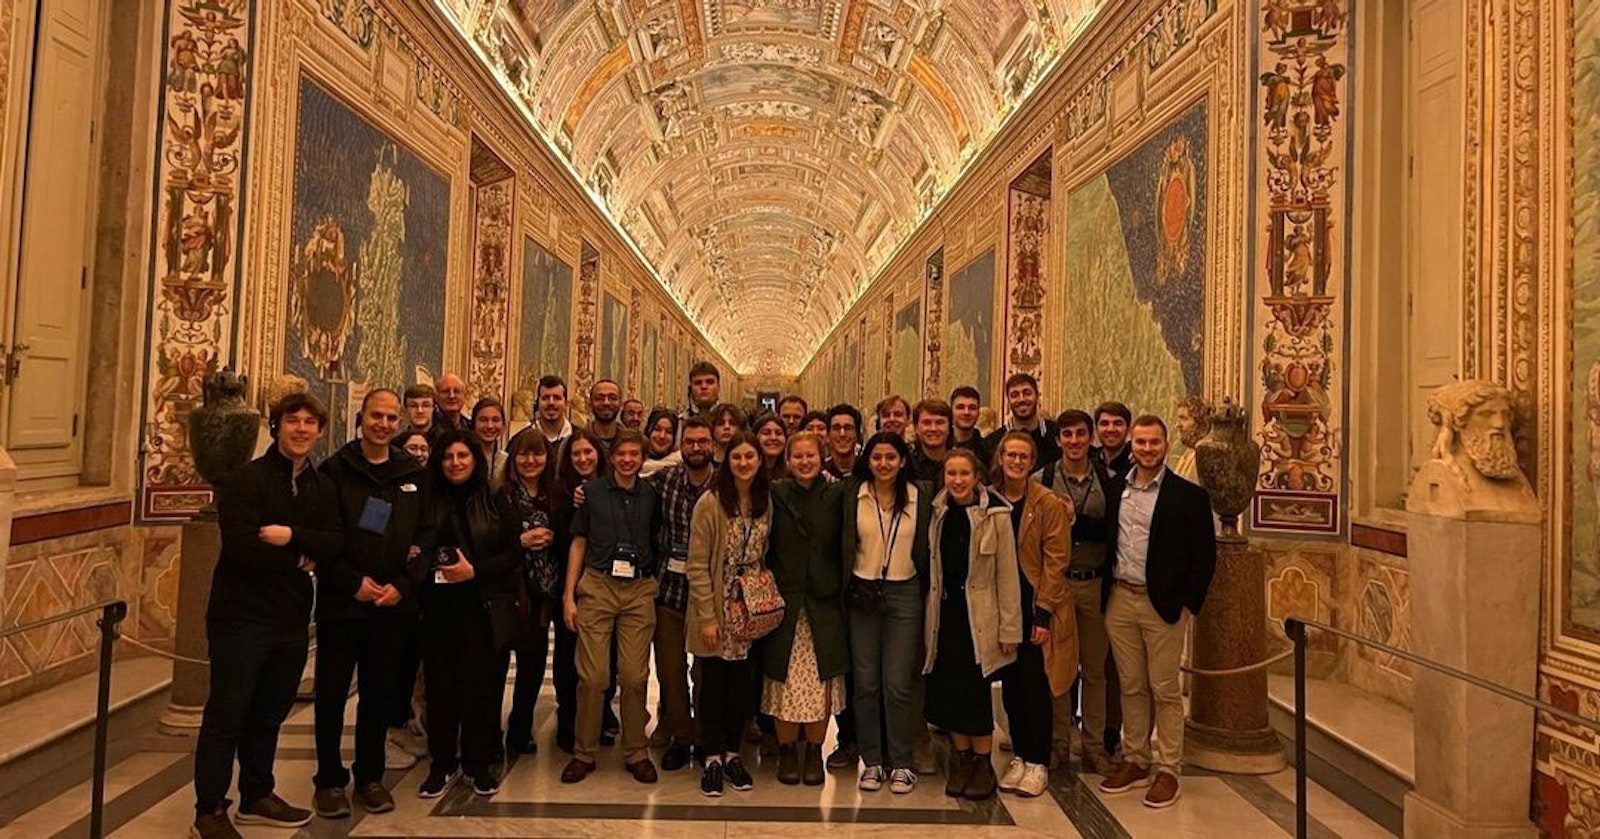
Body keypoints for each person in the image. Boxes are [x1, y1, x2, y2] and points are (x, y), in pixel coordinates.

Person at [192, 393, 342, 839]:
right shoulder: (247, 479)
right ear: (276, 426)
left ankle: (257, 793)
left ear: (319, 431)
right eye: (292, 420)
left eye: (309, 422)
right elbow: (241, 546)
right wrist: (300, 559)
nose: (301, 429)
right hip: (241, 616)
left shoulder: (321, 485)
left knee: (270, 711)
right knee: (228, 712)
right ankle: (209, 809)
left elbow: (334, 542)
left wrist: (291, 537)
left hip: (291, 617)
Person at [314, 390, 433, 819]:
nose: (383, 424)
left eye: (390, 417)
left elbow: (427, 533)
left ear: (399, 423)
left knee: (380, 694)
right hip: (344, 603)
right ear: (361, 418)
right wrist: (352, 583)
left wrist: (404, 585)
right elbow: (326, 537)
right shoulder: (335, 471)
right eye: (375, 416)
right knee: (330, 694)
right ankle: (328, 779)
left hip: (392, 605)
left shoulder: (413, 474)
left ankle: (369, 775)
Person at [1098, 416, 1217, 809]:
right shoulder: (1117, 488)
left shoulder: (1188, 496)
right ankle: (1136, 758)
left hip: (1161, 603)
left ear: (1165, 445)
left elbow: (1204, 556)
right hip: (1120, 598)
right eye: (1141, 443)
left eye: (1154, 443)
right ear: (1131, 445)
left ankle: (1168, 768)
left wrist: (1187, 603)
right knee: (1131, 684)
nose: (1147, 449)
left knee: (1164, 688)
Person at [417, 430, 520, 799]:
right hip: (437, 607)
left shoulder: (494, 497)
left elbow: (513, 554)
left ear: (475, 459)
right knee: (440, 689)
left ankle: (477, 764)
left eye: (462, 456)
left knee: (480, 690)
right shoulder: (426, 497)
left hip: (481, 606)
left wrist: (474, 570)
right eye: (448, 457)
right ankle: (442, 763)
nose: (455, 463)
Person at [561, 430, 662, 784]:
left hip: (638, 589)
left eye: (635, 454)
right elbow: (578, 543)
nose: (628, 460)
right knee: (593, 677)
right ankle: (583, 752)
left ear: (642, 458)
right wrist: (568, 595)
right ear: (612, 456)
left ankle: (636, 750)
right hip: (599, 585)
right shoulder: (590, 493)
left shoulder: (652, 494)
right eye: (622, 453)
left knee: (635, 676)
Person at [923, 448, 1019, 801]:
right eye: (952, 474)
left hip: (980, 616)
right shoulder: (937, 512)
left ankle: (982, 762)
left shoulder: (996, 515)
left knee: (977, 693)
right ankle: (960, 758)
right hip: (946, 615)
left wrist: (1010, 628)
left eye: (964, 474)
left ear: (976, 476)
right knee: (950, 689)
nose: (958, 481)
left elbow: (1008, 575)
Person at [845, 431, 932, 794]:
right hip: (862, 592)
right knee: (865, 682)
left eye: (891, 457)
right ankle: (872, 760)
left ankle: (901, 761)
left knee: (897, 682)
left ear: (902, 460)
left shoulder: (919, 496)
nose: (883, 464)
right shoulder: (853, 494)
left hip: (904, 592)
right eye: (877, 457)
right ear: (868, 459)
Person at [687, 431, 773, 796]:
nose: (743, 463)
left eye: (749, 457)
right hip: (717, 604)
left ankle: (733, 754)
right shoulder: (710, 503)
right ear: (727, 460)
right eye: (736, 457)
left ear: (759, 461)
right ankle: (710, 758)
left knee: (741, 687)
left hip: (749, 606)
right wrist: (707, 616)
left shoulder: (764, 501)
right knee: (713, 686)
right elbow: (697, 565)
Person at [1035, 409, 1122, 774]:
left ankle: (1094, 744)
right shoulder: (1043, 480)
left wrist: (1078, 522)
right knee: (1058, 667)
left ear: (1091, 438)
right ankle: (1058, 742)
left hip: (1094, 583)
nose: (1074, 441)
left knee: (1096, 669)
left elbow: (1116, 530)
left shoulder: (1110, 479)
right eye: (1067, 434)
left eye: (1081, 434)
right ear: (1058, 440)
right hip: (1057, 584)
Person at [991, 432, 1075, 798]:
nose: (1016, 461)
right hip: (1001, 607)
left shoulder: (1046, 502)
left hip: (1033, 605)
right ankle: (1020, 755)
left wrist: (1043, 614)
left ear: (1032, 461)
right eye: (1010, 454)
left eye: (1023, 456)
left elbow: (1057, 561)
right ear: (1000, 457)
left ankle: (1038, 760)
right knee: (1011, 687)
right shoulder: (990, 497)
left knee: (1034, 686)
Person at [763, 432, 847, 786]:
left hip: (823, 602)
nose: (804, 462)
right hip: (785, 602)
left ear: (821, 456)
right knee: (782, 683)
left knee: (819, 683)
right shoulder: (775, 494)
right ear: (788, 458)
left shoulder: (836, 494)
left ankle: (814, 751)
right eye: (797, 456)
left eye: (810, 455)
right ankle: (786, 751)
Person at [644, 417, 718, 771]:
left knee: (705, 671)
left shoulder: (723, 485)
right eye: (690, 441)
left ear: (712, 446)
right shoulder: (664, 481)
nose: (696, 447)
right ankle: (680, 734)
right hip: (669, 591)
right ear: (680, 445)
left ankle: (704, 735)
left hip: (708, 596)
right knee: (670, 670)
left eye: (703, 441)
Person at [551, 427, 617, 752]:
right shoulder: (560, 493)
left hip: (608, 582)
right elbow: (562, 539)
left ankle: (602, 715)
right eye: (576, 453)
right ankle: (569, 721)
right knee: (568, 657)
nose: (582, 458)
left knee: (606, 659)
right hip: (571, 581)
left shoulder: (613, 486)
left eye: (588, 452)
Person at [500, 429, 562, 757]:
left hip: (541, 592)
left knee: (533, 665)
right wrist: (520, 542)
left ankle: (521, 727)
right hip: (508, 588)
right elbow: (490, 539)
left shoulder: (554, 494)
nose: (530, 460)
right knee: (496, 667)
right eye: (523, 454)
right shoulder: (502, 493)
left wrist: (553, 537)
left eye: (537, 454)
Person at [982, 373, 1060, 467]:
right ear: (1008, 400)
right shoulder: (992, 443)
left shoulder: (1057, 435)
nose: (1021, 399)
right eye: (1015, 395)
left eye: (1027, 393)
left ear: (1037, 397)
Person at [908, 399, 954, 486]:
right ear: (916, 428)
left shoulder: (962, 462)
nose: (933, 428)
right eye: (927, 423)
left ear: (949, 428)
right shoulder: (906, 463)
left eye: (940, 423)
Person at [949, 385, 991, 467]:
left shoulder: (987, 451)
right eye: (960, 407)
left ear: (978, 412)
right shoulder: (940, 446)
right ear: (951, 411)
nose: (966, 412)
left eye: (972, 408)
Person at [471, 397, 509, 481]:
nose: (489, 426)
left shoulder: (506, 461)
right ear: (474, 424)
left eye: (495, 420)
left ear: (503, 425)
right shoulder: (464, 458)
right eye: (483, 420)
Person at [823, 404, 863, 482]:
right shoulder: (819, 474)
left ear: (858, 435)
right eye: (836, 428)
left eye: (848, 428)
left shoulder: (868, 472)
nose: (842, 434)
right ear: (827, 436)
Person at [534, 375, 575, 450]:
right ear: (537, 403)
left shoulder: (580, 439)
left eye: (557, 398)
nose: (551, 403)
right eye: (545, 398)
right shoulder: (520, 440)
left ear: (566, 403)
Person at [1093, 401, 1133, 476]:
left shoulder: (1137, 465)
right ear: (1096, 429)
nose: (1110, 429)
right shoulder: (1088, 463)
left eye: (1118, 423)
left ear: (1128, 429)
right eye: (1104, 423)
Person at [680, 361, 722, 426]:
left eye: (709, 382)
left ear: (718, 387)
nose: (704, 386)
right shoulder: (680, 422)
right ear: (690, 388)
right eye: (698, 383)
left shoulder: (731, 422)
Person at [588, 380, 624, 452]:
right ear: (590, 403)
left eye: (613, 398)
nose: (606, 403)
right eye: (599, 398)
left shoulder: (635, 442)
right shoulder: (576, 441)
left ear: (621, 404)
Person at [753, 413, 790, 479]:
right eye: (766, 433)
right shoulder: (747, 473)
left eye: (778, 433)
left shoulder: (792, 473)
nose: (773, 438)